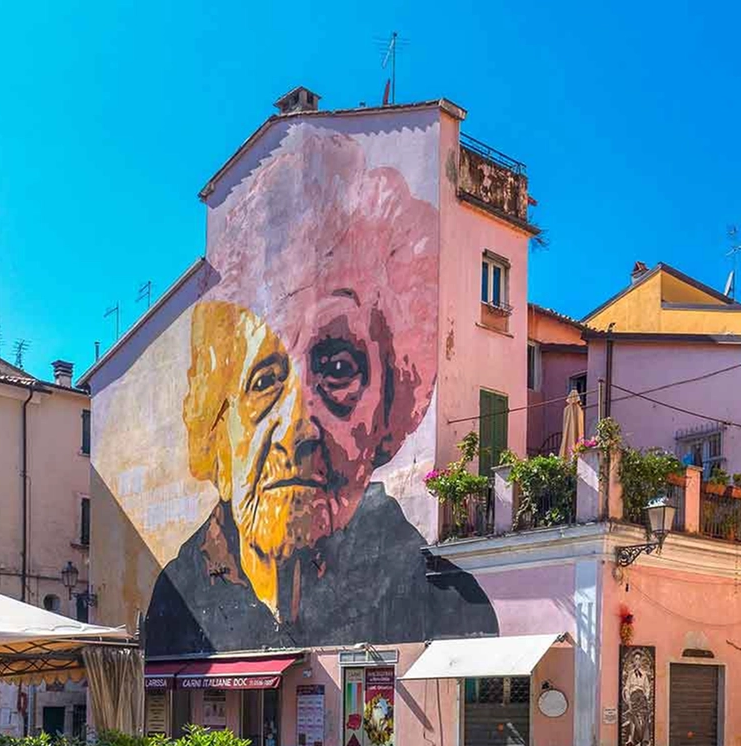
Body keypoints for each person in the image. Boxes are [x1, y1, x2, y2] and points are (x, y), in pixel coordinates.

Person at [146, 121, 495, 655]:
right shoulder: (173, 602)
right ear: (216, 429)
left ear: (390, 414)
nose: (298, 428)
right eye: (264, 381)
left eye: (336, 368)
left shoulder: (446, 605)